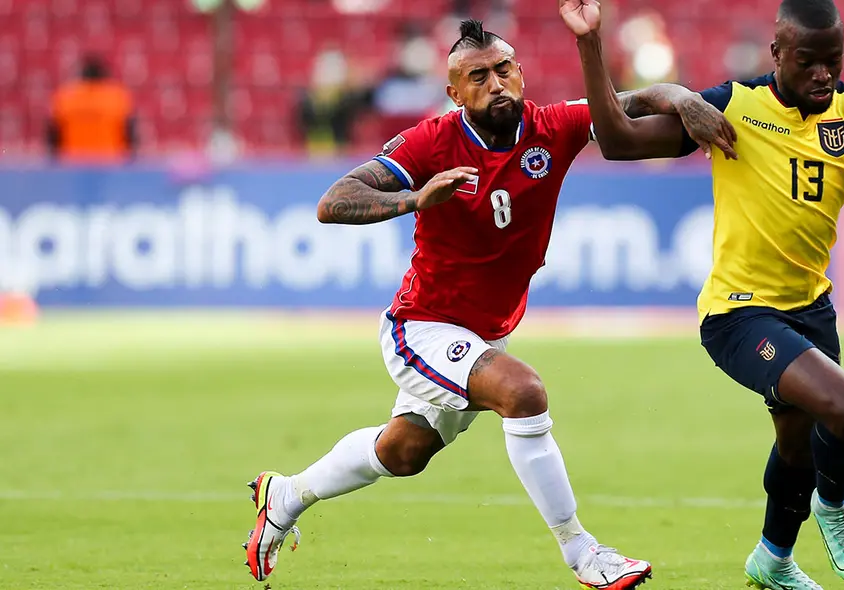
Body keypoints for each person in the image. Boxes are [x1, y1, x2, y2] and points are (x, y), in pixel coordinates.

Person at [242, 19, 729, 589]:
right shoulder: (432, 141)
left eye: (504, 70)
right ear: (455, 93)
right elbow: (335, 201)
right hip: (420, 328)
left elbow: (636, 99)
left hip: (482, 335)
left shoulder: (552, 126)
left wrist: (683, 98)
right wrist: (414, 197)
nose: (496, 84)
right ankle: (584, 553)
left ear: (520, 72)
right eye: (478, 77)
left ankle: (286, 495)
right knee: (523, 393)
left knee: (403, 453)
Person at [559, 0, 844, 589]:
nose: (824, 75)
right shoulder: (734, 108)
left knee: (797, 444)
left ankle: (772, 561)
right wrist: (596, 47)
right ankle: (831, 506)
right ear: (777, 54)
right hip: (739, 313)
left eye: (834, 62)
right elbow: (618, 140)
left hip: (811, 308)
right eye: (808, 62)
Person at [48, 55, 136, 163]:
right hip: (110, 162)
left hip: (72, 163)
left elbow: (53, 136)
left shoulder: (64, 96)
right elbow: (130, 134)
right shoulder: (118, 97)